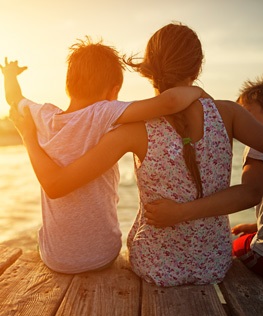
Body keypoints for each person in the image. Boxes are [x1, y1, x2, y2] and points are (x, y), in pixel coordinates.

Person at [10, 23, 263, 287]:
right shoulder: (229, 114)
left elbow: (60, 183)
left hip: (154, 267)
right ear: (197, 66)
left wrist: (30, 132)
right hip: (214, 264)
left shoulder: (134, 128)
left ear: (149, 69)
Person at [1, 37, 206, 274]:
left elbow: (13, 98)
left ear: (68, 85)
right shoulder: (103, 112)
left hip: (55, 259)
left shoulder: (43, 116)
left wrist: (9, 76)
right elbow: (169, 102)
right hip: (101, 256)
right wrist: (196, 90)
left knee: (42, 238)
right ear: (114, 91)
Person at [144, 72, 263, 283]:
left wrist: (180, 212)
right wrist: (259, 225)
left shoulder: (261, 144)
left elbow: (251, 193)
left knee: (233, 245)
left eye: (245, 114)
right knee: (248, 236)